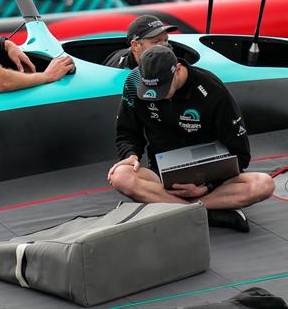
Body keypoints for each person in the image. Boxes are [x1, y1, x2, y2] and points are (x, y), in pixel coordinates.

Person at [107, 45, 274, 232]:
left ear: (177, 70)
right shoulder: (134, 82)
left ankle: (177, 207)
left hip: (210, 176)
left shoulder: (212, 89)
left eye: (162, 88)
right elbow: (126, 133)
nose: (156, 95)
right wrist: (130, 156)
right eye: (150, 89)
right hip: (162, 175)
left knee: (264, 185)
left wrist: (208, 186)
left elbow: (241, 153)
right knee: (120, 176)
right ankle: (206, 211)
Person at [103, 15, 177, 69]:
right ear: (135, 45)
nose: (164, 45)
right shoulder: (123, 72)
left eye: (165, 40)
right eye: (156, 42)